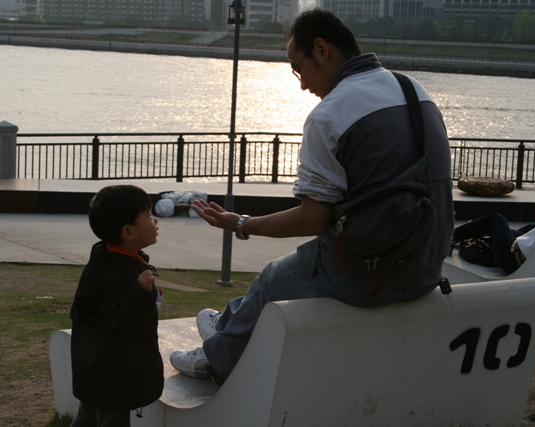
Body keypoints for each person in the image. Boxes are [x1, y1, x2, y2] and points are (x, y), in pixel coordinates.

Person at [169, 8, 454, 383]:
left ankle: (216, 358)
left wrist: (241, 223)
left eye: (298, 68)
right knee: (290, 270)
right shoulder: (414, 90)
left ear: (321, 49)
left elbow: (314, 219)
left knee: (274, 277)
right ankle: (228, 322)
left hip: (373, 277)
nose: (302, 84)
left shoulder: (329, 114)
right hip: (429, 266)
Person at [70, 185, 163, 426]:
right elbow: (126, 325)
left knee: (87, 417)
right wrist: (141, 293)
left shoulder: (102, 261)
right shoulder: (126, 274)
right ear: (128, 232)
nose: (155, 220)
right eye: (148, 214)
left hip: (93, 369)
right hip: (115, 375)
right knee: (111, 419)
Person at [451, 207, 535, 273]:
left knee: (495, 218)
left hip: (510, 257)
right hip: (532, 261)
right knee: (530, 228)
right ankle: (485, 235)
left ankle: (451, 238)